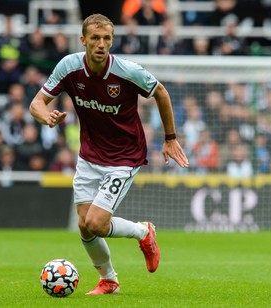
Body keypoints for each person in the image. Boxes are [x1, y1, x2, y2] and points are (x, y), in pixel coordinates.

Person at [29, 14, 189, 295]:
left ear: (112, 41)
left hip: (124, 156)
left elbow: (161, 92)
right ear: (83, 41)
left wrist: (170, 138)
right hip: (89, 155)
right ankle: (109, 281)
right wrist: (46, 116)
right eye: (95, 38)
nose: (101, 44)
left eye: (106, 39)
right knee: (84, 226)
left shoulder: (127, 71)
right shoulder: (69, 67)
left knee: (96, 223)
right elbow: (37, 103)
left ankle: (144, 233)